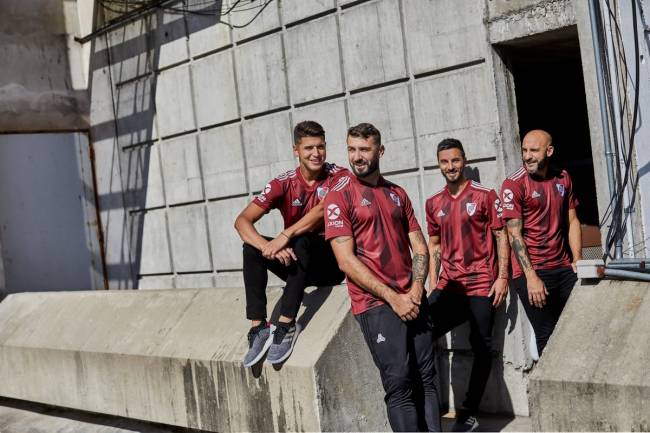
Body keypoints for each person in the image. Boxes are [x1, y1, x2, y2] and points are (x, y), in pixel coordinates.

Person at [325, 123, 441, 432]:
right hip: (376, 304)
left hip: (413, 297)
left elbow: (419, 245)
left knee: (427, 378)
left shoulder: (397, 193)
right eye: (351, 149)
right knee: (400, 384)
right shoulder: (339, 197)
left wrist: (416, 289)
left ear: (380, 151)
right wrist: (394, 298)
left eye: (364, 149)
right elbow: (345, 261)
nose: (357, 156)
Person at [234, 120, 346, 367]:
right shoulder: (283, 183)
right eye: (308, 148)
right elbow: (242, 221)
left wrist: (285, 237)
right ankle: (259, 327)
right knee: (250, 247)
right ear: (296, 151)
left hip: (330, 264)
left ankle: (286, 324)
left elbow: (320, 212)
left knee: (302, 238)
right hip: (297, 263)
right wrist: (267, 247)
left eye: (320, 147)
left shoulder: (339, 176)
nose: (316, 154)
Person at [425, 138, 509, 432]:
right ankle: (426, 406)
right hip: (449, 286)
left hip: (482, 285)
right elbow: (434, 244)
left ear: (464, 160)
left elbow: (501, 235)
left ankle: (469, 413)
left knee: (482, 347)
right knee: (421, 333)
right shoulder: (433, 203)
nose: (450, 166)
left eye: (455, 160)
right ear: (439, 163)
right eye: (445, 161)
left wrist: (502, 277)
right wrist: (433, 283)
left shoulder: (486, 195)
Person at [500, 129, 582, 355]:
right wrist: (531, 278)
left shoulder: (563, 177)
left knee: (577, 328)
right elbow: (514, 235)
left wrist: (577, 259)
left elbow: (572, 220)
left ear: (549, 151)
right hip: (532, 271)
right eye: (524, 150)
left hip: (563, 266)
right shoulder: (513, 184)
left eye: (534, 150)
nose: (527, 156)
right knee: (547, 336)